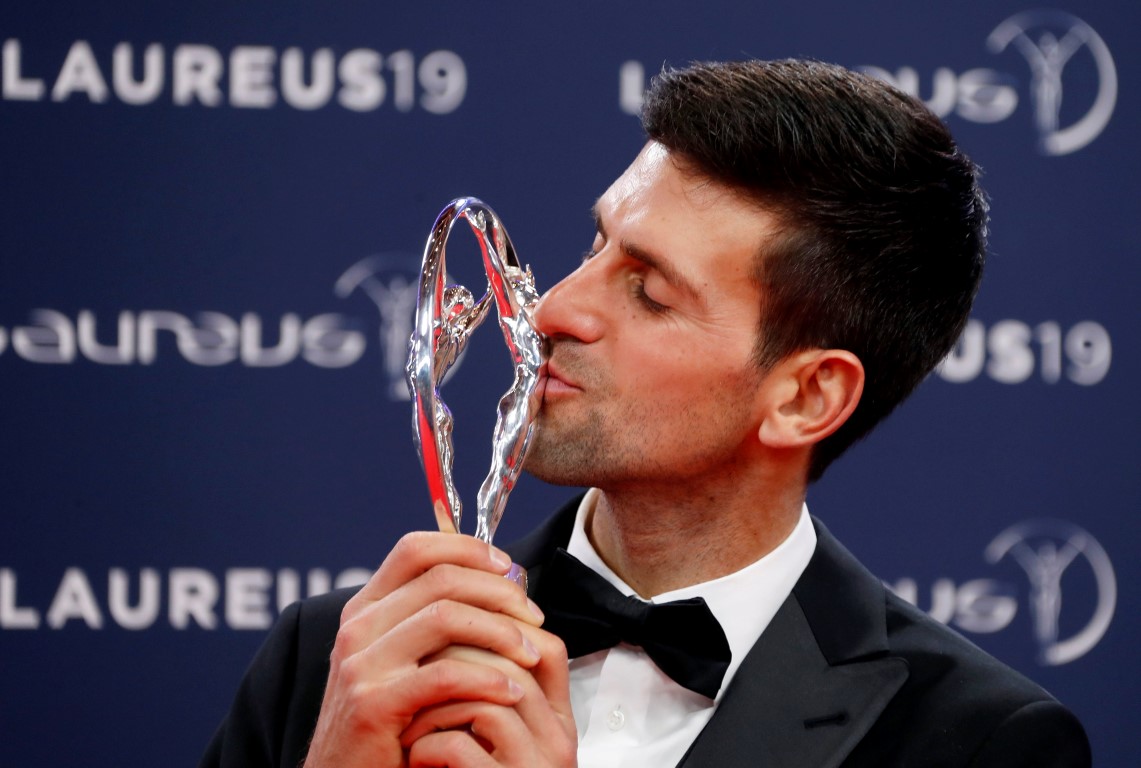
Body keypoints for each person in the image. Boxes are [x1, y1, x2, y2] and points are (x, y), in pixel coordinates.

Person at [200, 59, 1091, 767]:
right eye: (595, 246)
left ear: (805, 395)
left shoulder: (977, 740)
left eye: (649, 293)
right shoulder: (338, 661)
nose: (551, 310)